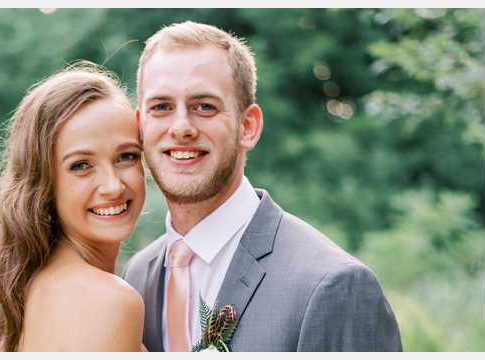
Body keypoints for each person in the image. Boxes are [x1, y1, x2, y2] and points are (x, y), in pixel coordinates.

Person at [122, 21, 403, 352]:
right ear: (141, 127)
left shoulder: (333, 286)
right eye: (162, 107)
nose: (181, 127)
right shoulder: (135, 277)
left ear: (248, 127)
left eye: (204, 106)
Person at [0, 61, 147, 351]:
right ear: (42, 183)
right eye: (81, 165)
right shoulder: (108, 301)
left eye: (126, 156)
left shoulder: (31, 286)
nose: (113, 186)